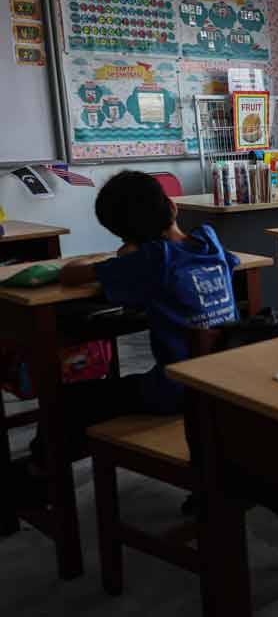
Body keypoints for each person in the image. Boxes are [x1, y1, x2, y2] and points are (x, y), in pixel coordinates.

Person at [37, 171, 241, 460]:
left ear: (124, 235)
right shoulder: (209, 241)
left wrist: (124, 256)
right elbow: (231, 264)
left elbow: (71, 274)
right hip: (223, 378)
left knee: (65, 402)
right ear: (172, 206)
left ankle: (43, 476)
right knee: (125, 387)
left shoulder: (149, 260)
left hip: (177, 390)